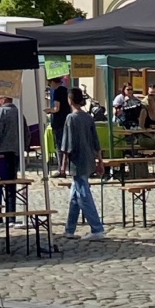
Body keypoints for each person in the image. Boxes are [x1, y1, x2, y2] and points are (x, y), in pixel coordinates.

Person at [61, 88, 105, 239]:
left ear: (70, 100)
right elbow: (96, 141)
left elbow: (67, 143)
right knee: (76, 194)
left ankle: (97, 228)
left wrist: (63, 163)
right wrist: (99, 160)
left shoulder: (71, 118)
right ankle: (70, 229)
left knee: (83, 195)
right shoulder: (88, 117)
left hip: (77, 159)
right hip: (89, 158)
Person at [0, 89, 21, 214]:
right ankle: (11, 215)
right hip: (15, 153)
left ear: (5, 99)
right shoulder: (18, 112)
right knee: (11, 185)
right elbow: (26, 134)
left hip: (1, 154)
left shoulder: (2, 111)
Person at [48, 84, 72, 177]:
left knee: (60, 147)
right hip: (67, 121)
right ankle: (69, 168)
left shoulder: (57, 92)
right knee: (68, 146)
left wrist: (48, 110)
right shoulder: (66, 90)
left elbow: (56, 108)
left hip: (59, 123)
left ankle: (61, 169)